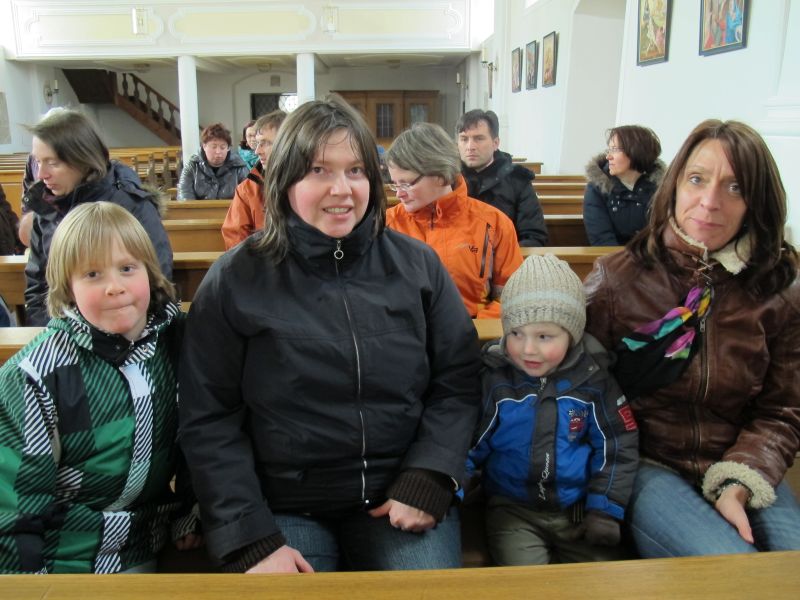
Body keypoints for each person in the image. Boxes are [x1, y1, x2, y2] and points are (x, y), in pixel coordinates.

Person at [179, 96, 482, 573]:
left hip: (397, 492)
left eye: (356, 170)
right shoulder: (236, 279)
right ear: (285, 179)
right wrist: (250, 536)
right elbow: (208, 417)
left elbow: (458, 379)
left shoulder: (417, 266)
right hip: (282, 503)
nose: (342, 189)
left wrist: (430, 474)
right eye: (319, 170)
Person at [584, 119, 800, 557]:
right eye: (697, 180)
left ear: (757, 202)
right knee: (733, 569)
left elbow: (782, 410)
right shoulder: (617, 279)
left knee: (789, 565)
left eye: (735, 188)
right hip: (648, 463)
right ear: (675, 185)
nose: (709, 202)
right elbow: (577, 390)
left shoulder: (780, 289)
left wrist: (739, 479)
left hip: (745, 456)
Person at [0, 202, 200, 574]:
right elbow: (14, 504)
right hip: (65, 553)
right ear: (67, 288)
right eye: (92, 274)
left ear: (150, 272)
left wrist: (190, 511)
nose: (115, 287)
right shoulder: (36, 375)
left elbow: (204, 436)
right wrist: (28, 584)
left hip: (148, 538)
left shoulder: (178, 342)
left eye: (127, 268)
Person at [465, 254, 639, 566]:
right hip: (512, 510)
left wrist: (604, 509)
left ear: (572, 334)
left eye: (544, 336)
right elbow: (470, 441)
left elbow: (617, 444)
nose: (528, 349)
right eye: (516, 333)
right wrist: (453, 484)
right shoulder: (496, 380)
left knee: (601, 578)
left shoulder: (594, 380)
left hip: (578, 509)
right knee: (526, 582)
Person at [23, 109, 172, 327]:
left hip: (124, 331)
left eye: (53, 163)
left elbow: (156, 284)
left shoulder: (131, 206)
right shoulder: (46, 206)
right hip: (62, 332)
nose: (41, 174)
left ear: (82, 159)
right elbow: (37, 288)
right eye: (37, 162)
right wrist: (54, 334)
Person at [385, 122, 523, 319]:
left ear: (441, 176)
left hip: (475, 332)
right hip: (405, 334)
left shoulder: (494, 223)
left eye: (406, 184)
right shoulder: (386, 225)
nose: (399, 194)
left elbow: (511, 297)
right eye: (395, 184)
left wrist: (470, 330)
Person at [456, 110, 548, 247]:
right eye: (464, 139)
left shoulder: (518, 181)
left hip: (504, 256)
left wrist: (501, 257)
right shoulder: (447, 179)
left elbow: (534, 236)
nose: (470, 147)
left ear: (495, 143)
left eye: (479, 138)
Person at [583, 125, 665, 246]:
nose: (608, 156)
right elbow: (602, 239)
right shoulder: (597, 188)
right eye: (609, 149)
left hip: (654, 256)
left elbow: (665, 234)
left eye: (615, 149)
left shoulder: (661, 187)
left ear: (636, 151)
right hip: (614, 256)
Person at [221, 110, 287, 249]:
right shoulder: (247, 189)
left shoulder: (310, 183)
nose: (257, 151)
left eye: (265, 143)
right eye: (257, 143)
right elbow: (235, 238)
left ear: (287, 143)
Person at [177, 122, 249, 200]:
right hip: (199, 208)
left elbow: (248, 196)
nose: (218, 152)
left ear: (228, 148)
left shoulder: (239, 168)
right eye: (214, 147)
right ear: (204, 146)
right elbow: (184, 195)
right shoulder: (192, 167)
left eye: (222, 147)